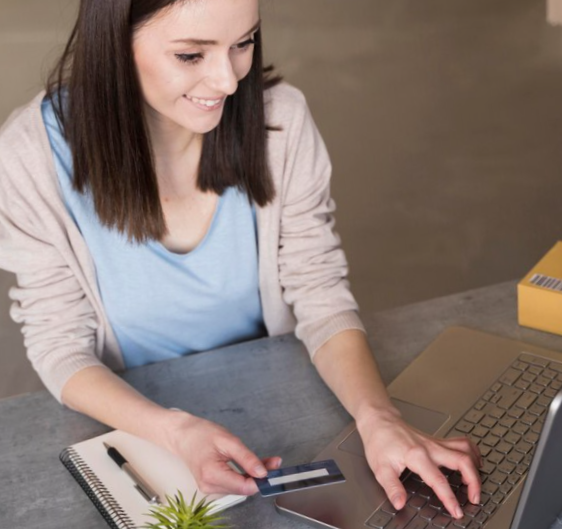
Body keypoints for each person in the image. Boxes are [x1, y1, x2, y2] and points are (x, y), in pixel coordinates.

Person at [0, 0, 481, 519]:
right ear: (114, 44)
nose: (228, 81)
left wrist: (378, 417)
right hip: (134, 422)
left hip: (275, 397)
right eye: (190, 55)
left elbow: (319, 293)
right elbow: (59, 348)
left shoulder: (281, 121)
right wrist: (173, 430)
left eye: (243, 43)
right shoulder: (32, 154)